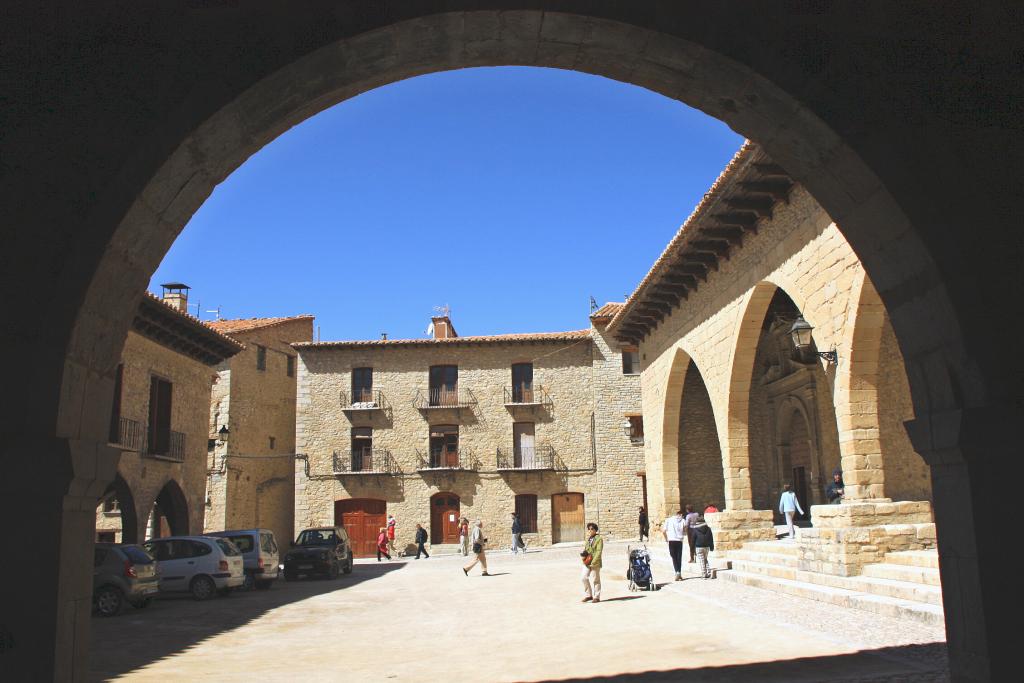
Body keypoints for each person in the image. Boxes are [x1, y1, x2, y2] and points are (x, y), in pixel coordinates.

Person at [581, 522, 603, 603]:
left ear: (595, 530)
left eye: (592, 529)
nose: (590, 530)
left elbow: (599, 551)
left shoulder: (599, 539)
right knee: (583, 577)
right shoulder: (588, 539)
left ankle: (596, 597)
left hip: (595, 562)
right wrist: (583, 556)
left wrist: (593, 562)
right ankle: (589, 595)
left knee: (595, 580)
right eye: (589, 529)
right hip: (587, 562)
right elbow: (586, 549)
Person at [662, 510, 686, 581]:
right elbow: (685, 529)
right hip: (679, 540)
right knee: (679, 557)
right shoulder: (683, 520)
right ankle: (679, 573)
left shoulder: (668, 520)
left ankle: (677, 572)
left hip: (671, 540)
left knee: (673, 556)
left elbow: (663, 531)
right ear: (680, 514)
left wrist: (666, 539)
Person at [690, 514, 715, 579]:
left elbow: (693, 540)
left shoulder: (695, 530)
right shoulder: (708, 529)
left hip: (699, 547)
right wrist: (712, 546)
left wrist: (692, 549)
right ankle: (709, 572)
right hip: (707, 547)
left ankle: (704, 574)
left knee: (701, 560)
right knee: (705, 559)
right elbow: (711, 538)